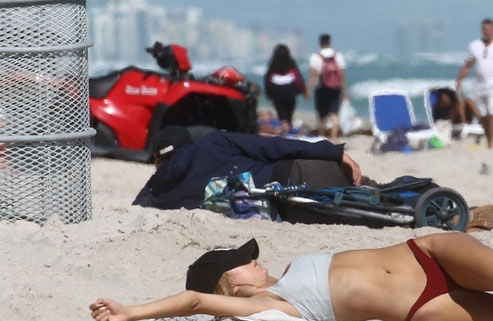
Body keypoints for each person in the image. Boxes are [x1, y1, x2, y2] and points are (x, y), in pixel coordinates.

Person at [89, 234, 493, 321]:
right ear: (232, 283)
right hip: (422, 307)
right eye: (244, 264)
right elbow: (193, 300)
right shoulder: (272, 306)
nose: (255, 261)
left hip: (427, 253)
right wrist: (129, 312)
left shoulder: (290, 271)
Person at [132, 126, 363, 210]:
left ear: (158, 160)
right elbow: (274, 146)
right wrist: (333, 151)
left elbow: (139, 203)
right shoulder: (213, 143)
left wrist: (156, 179)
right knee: (369, 187)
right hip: (299, 171)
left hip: (288, 203)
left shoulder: (160, 195)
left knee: (365, 196)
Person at [455, 18, 493, 148]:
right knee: (483, 114)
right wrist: (459, 80)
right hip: (479, 84)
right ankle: (489, 140)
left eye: (489, 29)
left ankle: (492, 141)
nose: (486, 32)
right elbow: (467, 65)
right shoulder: (474, 46)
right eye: (484, 29)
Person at [306, 34, 347, 140]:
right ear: (330, 42)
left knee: (322, 115)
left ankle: (322, 137)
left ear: (320, 42)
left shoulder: (316, 56)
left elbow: (313, 75)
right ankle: (333, 137)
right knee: (334, 114)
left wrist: (308, 90)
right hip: (335, 88)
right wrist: (344, 90)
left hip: (322, 88)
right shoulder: (338, 55)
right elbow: (342, 74)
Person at [263, 44, 306, 134]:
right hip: (290, 91)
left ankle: (284, 129)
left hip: (277, 91)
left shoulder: (273, 64)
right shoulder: (291, 63)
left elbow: (268, 79)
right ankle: (287, 130)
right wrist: (302, 90)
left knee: (282, 114)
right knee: (289, 113)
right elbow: (298, 78)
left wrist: (268, 93)